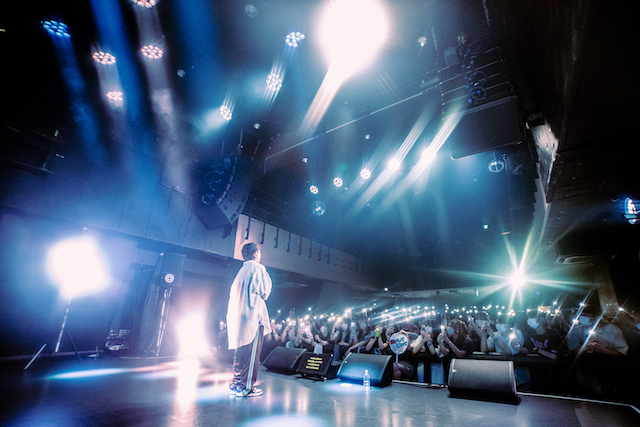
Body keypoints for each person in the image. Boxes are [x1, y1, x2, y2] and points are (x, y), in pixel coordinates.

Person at [226, 243, 272, 397]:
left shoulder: (241, 271)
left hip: (239, 317)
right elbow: (265, 292)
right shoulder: (258, 268)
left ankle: (237, 383)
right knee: (252, 354)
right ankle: (247, 387)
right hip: (253, 316)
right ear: (256, 253)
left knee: (240, 352)